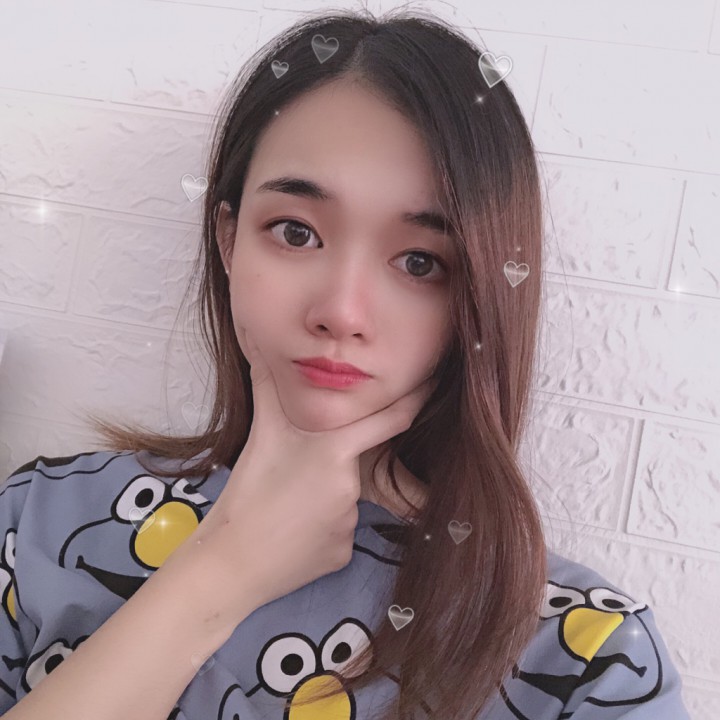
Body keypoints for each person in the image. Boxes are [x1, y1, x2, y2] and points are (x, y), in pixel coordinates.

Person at [0, 7, 691, 720]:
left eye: (419, 262)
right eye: (295, 232)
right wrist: (219, 575)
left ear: (480, 296)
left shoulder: (585, 659)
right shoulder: (45, 523)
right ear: (229, 240)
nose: (342, 311)